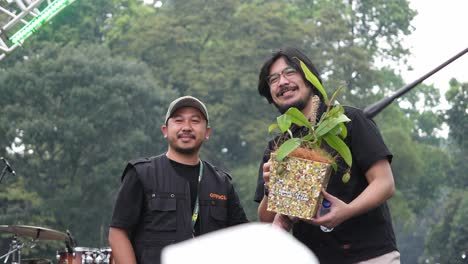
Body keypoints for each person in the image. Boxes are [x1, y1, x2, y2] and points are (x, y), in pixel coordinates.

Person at [253, 47, 400, 264]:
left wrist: (347, 211)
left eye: (290, 72)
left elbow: (384, 183)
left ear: (310, 79)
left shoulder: (347, 120)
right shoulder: (278, 147)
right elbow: (266, 219)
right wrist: (271, 189)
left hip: (368, 255)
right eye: (273, 79)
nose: (282, 82)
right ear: (270, 94)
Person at [109, 95, 249, 264]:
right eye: (178, 120)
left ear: (207, 133)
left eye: (195, 121)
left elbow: (242, 237)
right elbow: (118, 233)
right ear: (165, 130)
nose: (187, 127)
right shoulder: (141, 174)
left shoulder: (221, 183)